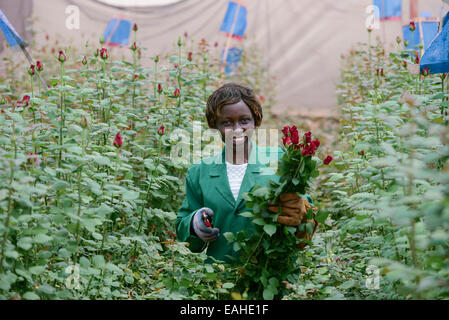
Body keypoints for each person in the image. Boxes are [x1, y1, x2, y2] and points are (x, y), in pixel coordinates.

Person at [175, 83, 317, 263]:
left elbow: (306, 217)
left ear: (255, 121)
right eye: (226, 122)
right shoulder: (200, 172)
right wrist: (194, 225)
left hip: (271, 276)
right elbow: (183, 227)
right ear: (215, 126)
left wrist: (303, 212)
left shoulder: (281, 161)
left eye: (244, 120)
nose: (237, 128)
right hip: (217, 281)